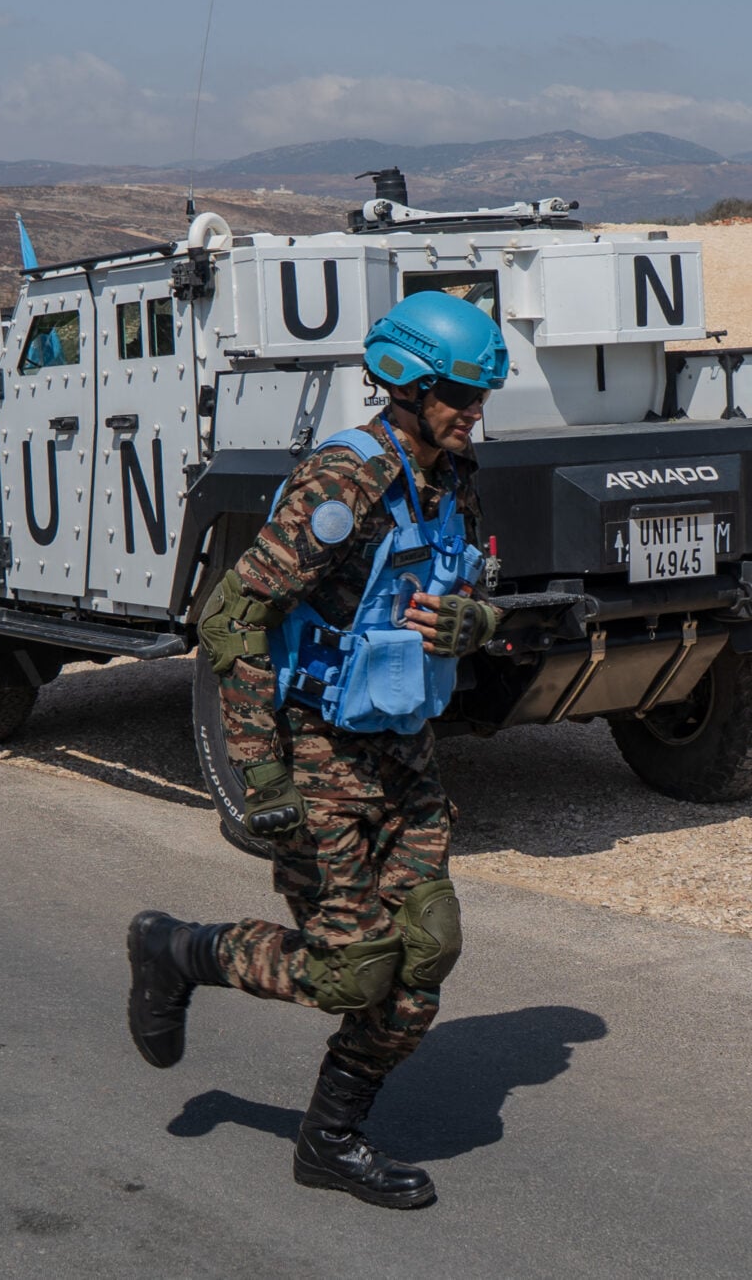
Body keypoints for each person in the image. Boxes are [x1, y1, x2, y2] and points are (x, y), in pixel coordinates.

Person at [126, 289, 508, 1210]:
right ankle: (180, 950)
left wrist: (477, 621)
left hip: (403, 750)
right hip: (316, 754)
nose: (474, 412)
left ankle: (331, 1140)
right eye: (460, 394)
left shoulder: (453, 476)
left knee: (427, 949)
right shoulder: (341, 484)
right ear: (407, 385)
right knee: (352, 967)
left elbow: (484, 594)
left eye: (482, 394)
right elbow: (233, 618)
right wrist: (259, 771)